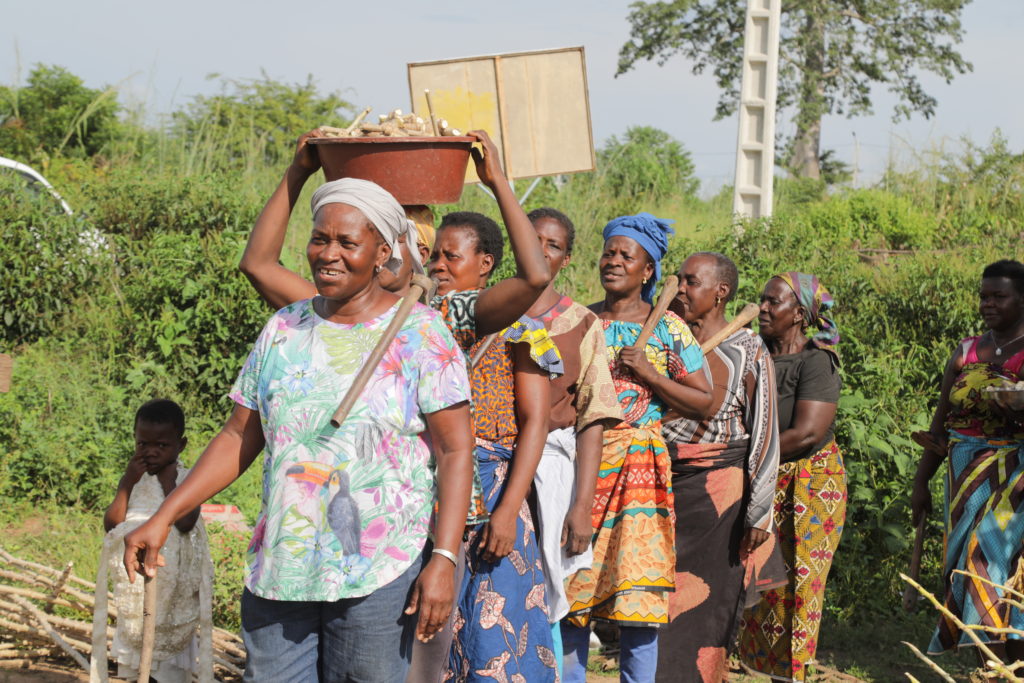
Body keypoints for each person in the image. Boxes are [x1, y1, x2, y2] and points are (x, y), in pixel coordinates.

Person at [122, 177, 476, 682]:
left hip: (377, 568)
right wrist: (164, 515)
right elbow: (237, 436)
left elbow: (455, 450)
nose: (329, 254)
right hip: (282, 564)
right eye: (319, 239)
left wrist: (443, 557)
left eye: (347, 242)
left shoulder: (421, 334)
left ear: (382, 253)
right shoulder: (284, 328)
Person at [235, 128, 553, 682]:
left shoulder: (446, 317)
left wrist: (497, 181)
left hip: (433, 524)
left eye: (417, 250)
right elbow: (259, 265)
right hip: (340, 537)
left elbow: (533, 277)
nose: (410, 260)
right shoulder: (324, 314)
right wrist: (299, 171)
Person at [561, 213, 713, 683]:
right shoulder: (578, 320)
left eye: (626, 256)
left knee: (638, 598)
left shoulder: (667, 328)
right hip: (579, 467)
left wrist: (649, 373)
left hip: (640, 471)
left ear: (648, 271)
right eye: (609, 252)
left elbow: (704, 401)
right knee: (571, 593)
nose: (613, 261)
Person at [430, 211, 560, 682]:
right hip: (433, 488)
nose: (438, 265)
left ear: (485, 263)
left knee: (493, 627)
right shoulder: (425, 324)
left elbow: (536, 422)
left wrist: (507, 511)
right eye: (433, 255)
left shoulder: (520, 329)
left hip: (493, 491)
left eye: (451, 256)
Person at [655, 252, 781, 683]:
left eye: (691, 282)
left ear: (721, 292)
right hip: (658, 485)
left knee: (707, 606)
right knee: (655, 600)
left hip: (718, 496)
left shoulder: (746, 349)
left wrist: (759, 512)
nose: (681, 289)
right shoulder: (663, 339)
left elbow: (764, 430)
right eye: (679, 279)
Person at [516, 208, 623, 673]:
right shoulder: (491, 310)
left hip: (550, 475)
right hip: (493, 467)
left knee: (546, 593)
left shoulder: (582, 323)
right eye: (532, 238)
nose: (541, 250)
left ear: (567, 258)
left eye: (554, 245)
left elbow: (593, 418)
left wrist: (581, 507)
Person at [911, 259, 1024, 660]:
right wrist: (921, 482)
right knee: (964, 565)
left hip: (1015, 475)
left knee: (988, 557)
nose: (988, 304)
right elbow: (940, 423)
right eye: (983, 297)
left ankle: (1003, 665)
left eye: (999, 297)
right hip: (963, 474)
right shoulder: (967, 350)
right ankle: (985, 666)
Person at [738, 272, 846, 682]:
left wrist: (744, 457)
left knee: (797, 585)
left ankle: (794, 674)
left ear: (800, 314)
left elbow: (807, 433)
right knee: (761, 584)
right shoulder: (755, 354)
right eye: (762, 300)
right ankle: (767, 671)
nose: (762, 308)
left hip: (807, 486)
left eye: (773, 302)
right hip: (761, 478)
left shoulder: (816, 361)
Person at [91, 399, 213, 683]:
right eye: (143, 444)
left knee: (168, 666)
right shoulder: (134, 478)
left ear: (181, 445)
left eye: (162, 445)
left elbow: (185, 522)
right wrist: (126, 483)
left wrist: (171, 482)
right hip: (136, 590)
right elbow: (112, 525)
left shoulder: (187, 480)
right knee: (138, 661)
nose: (151, 451)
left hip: (174, 595)